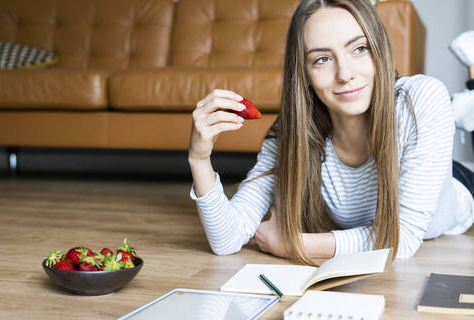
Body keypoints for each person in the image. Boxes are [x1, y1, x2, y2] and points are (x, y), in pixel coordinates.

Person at [188, 0, 474, 264]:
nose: (345, 74)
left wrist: (291, 244)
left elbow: (402, 239)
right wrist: (199, 160)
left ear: (379, 50)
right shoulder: (293, 134)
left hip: (453, 188)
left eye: (359, 49)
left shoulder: (421, 98)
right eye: (322, 59)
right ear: (305, 74)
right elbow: (226, 240)